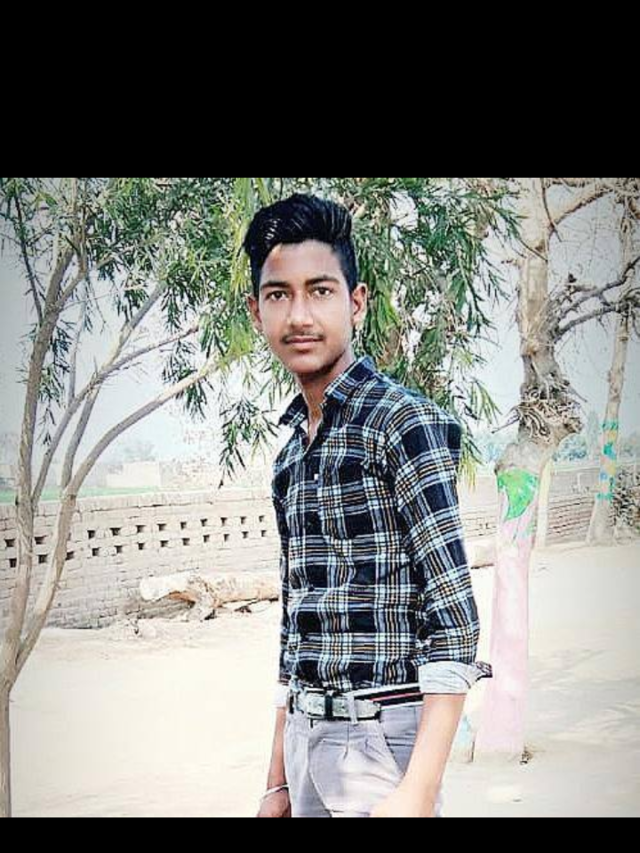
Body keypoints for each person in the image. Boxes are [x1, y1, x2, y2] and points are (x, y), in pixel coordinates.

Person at [244, 192, 493, 818]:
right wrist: (277, 781)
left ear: (355, 303)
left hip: (382, 740)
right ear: (257, 311)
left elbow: (454, 619)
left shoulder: (401, 423)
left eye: (320, 291)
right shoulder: (290, 458)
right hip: (305, 742)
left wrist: (418, 791)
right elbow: (296, 632)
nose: (300, 315)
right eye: (279, 295)